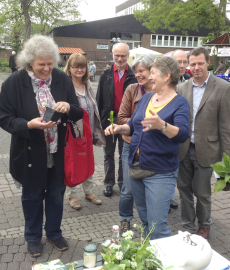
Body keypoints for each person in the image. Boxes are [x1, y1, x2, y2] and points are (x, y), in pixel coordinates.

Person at [0, 35, 84, 257]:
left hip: (58, 152)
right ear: (29, 62)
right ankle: (33, 237)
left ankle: (54, 233)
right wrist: (28, 124)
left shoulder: (61, 79)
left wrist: (68, 106)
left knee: (56, 195)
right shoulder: (14, 82)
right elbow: (4, 118)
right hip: (29, 152)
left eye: (50, 63)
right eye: (41, 64)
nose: (47, 69)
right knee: (32, 196)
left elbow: (77, 112)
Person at [105, 57, 190, 240]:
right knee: (145, 221)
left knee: (157, 228)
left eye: (153, 73)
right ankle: (148, 255)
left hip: (160, 172)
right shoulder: (147, 98)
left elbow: (183, 134)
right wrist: (120, 128)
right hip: (136, 168)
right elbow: (134, 126)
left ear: (166, 76)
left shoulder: (179, 102)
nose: (149, 77)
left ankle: (165, 264)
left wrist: (162, 125)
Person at [177, 47, 230, 239]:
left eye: (200, 63)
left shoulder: (223, 88)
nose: (196, 67)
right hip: (183, 148)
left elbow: (225, 127)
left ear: (208, 62)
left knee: (202, 192)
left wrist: (227, 160)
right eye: (192, 64)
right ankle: (187, 224)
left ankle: (204, 224)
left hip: (208, 150)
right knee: (183, 189)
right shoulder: (182, 88)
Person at [118, 54, 155, 233]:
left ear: (152, 71)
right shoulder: (132, 89)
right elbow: (122, 117)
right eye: (136, 71)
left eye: (142, 71)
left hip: (152, 149)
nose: (138, 75)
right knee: (128, 189)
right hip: (131, 145)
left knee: (147, 189)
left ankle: (148, 223)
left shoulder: (160, 91)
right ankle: (125, 218)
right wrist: (140, 126)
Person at [64, 53, 105, 210]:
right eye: (76, 66)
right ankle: (72, 195)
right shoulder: (67, 85)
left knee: (88, 160)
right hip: (73, 131)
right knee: (73, 162)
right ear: (70, 68)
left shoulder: (87, 84)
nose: (79, 70)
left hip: (88, 130)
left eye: (82, 66)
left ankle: (89, 192)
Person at [96, 42, 137, 197]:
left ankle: (122, 183)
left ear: (128, 55)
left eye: (123, 55)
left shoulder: (134, 75)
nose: (120, 59)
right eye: (117, 55)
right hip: (109, 122)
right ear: (112, 55)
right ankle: (108, 183)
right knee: (108, 154)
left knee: (124, 154)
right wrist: (100, 123)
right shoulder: (105, 75)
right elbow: (99, 100)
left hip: (127, 121)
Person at [169, 50, 191, 210]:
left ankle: (169, 197)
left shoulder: (189, 80)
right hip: (166, 133)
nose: (182, 65)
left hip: (182, 134)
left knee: (178, 172)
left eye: (185, 61)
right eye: (179, 61)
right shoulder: (165, 80)